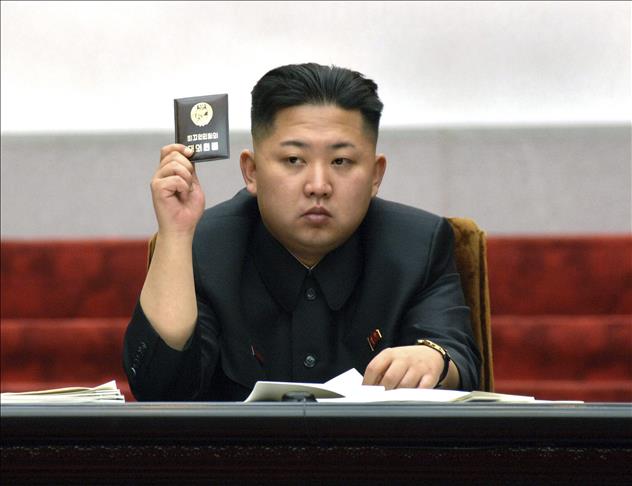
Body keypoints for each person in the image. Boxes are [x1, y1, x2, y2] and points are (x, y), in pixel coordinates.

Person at [123, 63, 481, 401]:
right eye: (294, 160)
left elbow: (456, 356)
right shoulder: (205, 247)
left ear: (375, 175)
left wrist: (433, 360)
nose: (318, 185)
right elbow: (159, 388)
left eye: (341, 161)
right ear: (251, 171)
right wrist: (176, 236)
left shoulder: (418, 245)